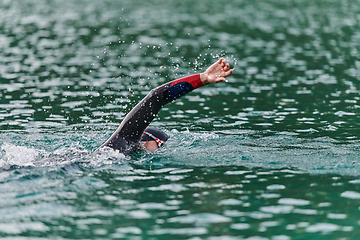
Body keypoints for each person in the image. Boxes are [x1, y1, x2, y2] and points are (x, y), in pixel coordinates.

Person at [96, 58, 234, 153]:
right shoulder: (125, 140)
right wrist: (202, 78)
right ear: (153, 142)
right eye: (161, 146)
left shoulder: (114, 146)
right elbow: (156, 97)